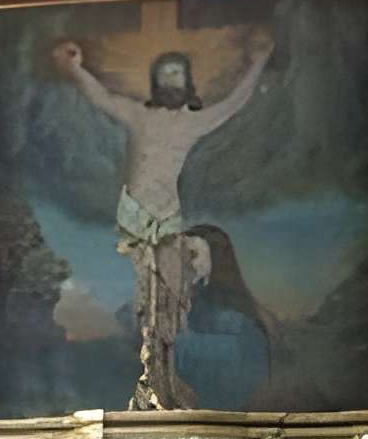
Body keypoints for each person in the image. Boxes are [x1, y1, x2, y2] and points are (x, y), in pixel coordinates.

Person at [51, 29, 274, 405]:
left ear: (187, 83)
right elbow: (101, 97)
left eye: (177, 76)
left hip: (169, 220)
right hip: (135, 218)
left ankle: (166, 382)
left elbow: (235, 102)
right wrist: (75, 69)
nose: (172, 83)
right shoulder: (139, 116)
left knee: (171, 301)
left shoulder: (194, 122)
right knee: (140, 301)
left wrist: (259, 61)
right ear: (156, 83)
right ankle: (144, 382)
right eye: (166, 76)